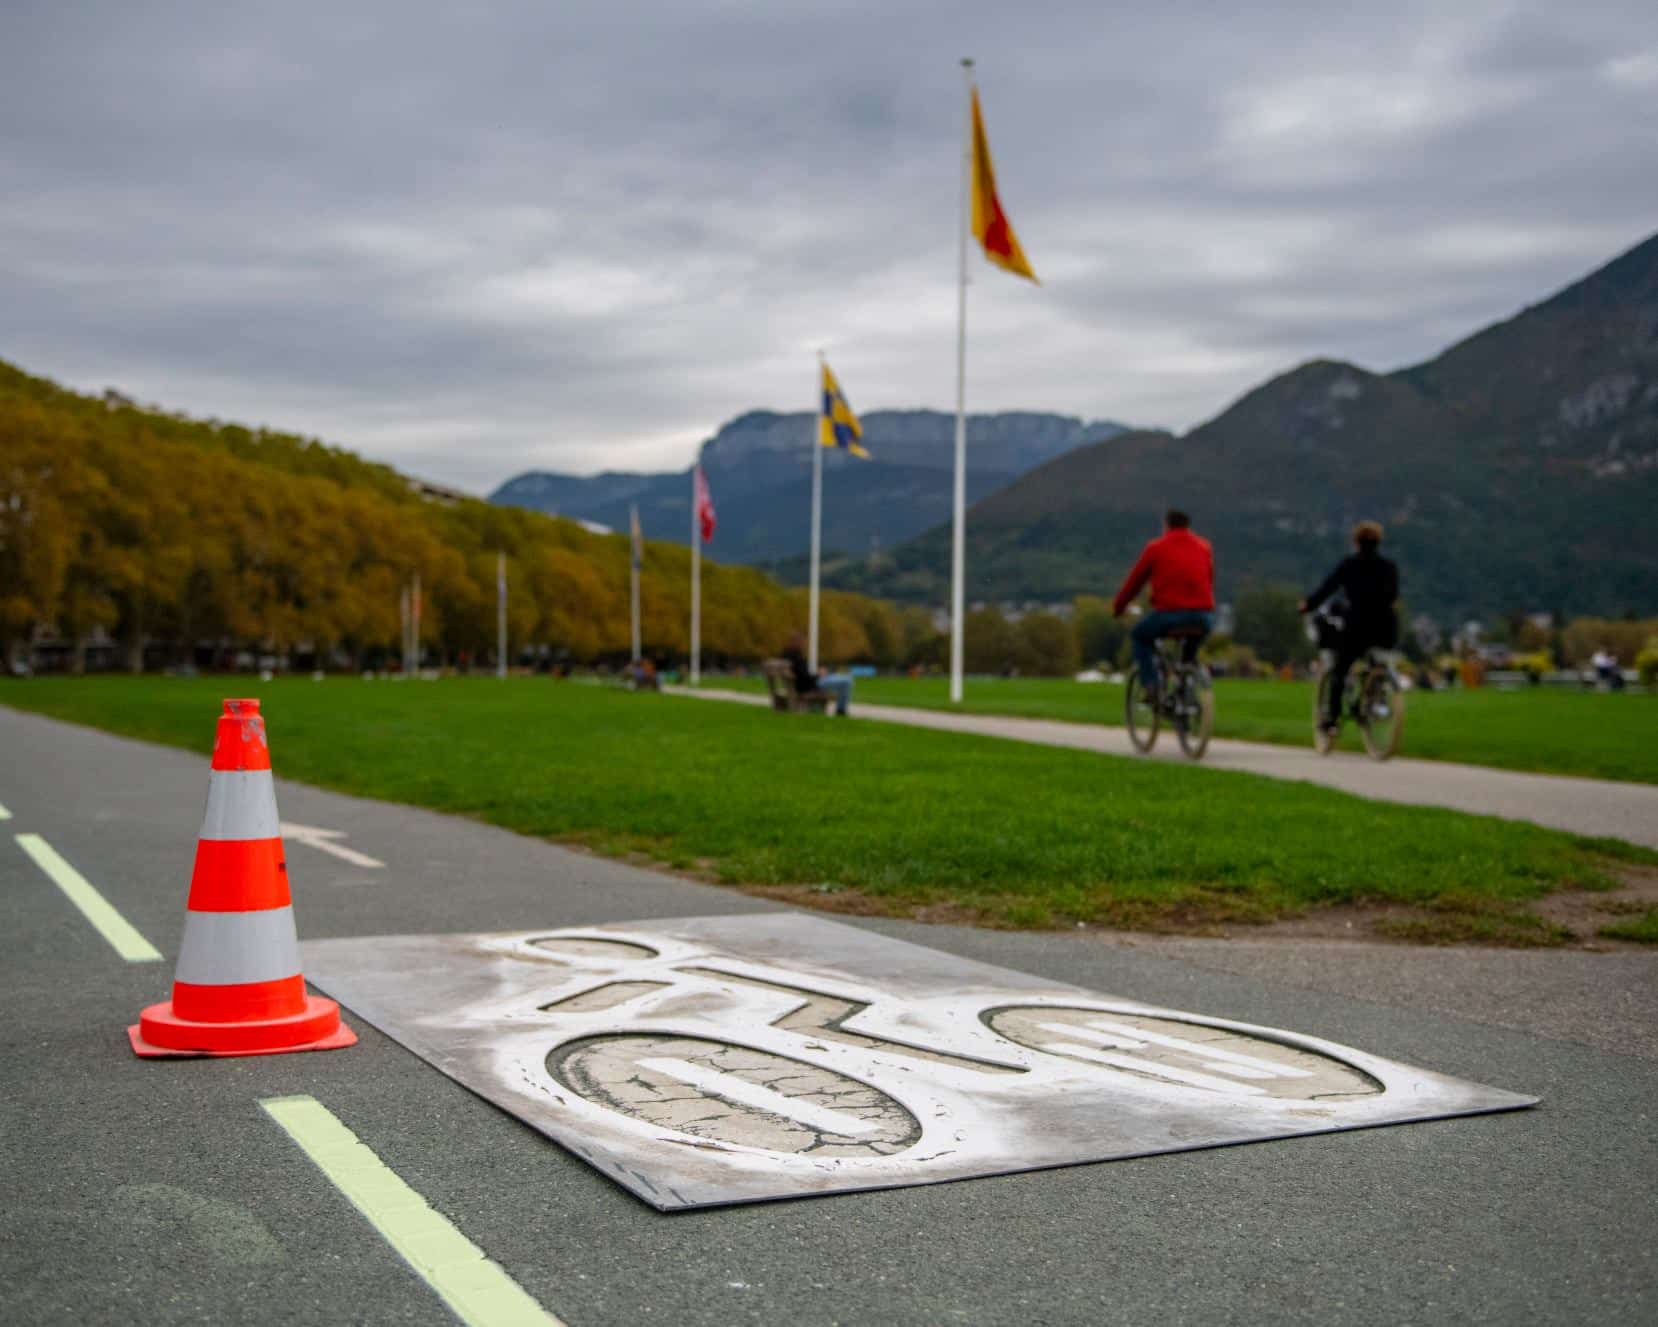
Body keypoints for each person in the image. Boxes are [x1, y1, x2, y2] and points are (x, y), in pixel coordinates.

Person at [1299, 520, 1399, 734]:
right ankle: (1377, 698)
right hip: (1385, 627)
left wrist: (1308, 605)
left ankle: (1332, 720)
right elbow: (1393, 596)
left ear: (1356, 542)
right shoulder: (1389, 567)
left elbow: (1327, 588)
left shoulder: (1350, 565)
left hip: (1357, 626)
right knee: (1378, 662)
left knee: (1340, 671)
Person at [1112, 509, 1216, 701]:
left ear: (1166, 525)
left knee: (1140, 636)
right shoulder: (1204, 547)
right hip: (1203, 617)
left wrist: (1119, 607)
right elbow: (1209, 580)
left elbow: (1134, 583)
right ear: (1187, 525)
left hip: (1169, 615)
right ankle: (1185, 685)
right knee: (1188, 654)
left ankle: (1151, 685)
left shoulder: (1156, 548)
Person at [782, 632, 852, 716]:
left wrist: (818, 673)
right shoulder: (795, 657)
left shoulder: (790, 656)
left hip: (809, 683)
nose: (804, 644)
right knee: (846, 681)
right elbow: (804, 675)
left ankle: (841, 709)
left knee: (843, 679)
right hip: (812, 685)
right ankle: (841, 710)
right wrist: (819, 674)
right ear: (796, 642)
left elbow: (802, 673)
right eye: (802, 641)